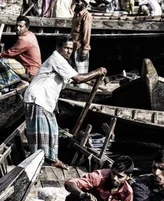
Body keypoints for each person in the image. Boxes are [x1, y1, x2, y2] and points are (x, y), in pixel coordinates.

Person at [24, 35, 106, 169]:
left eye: (70, 49)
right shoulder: (56, 59)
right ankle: (39, 161)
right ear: (58, 47)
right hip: (37, 99)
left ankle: (52, 158)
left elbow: (73, 79)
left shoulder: (61, 61)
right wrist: (97, 71)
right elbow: (78, 79)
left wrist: (95, 77)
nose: (69, 51)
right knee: (42, 133)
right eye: (66, 48)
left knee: (53, 129)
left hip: (44, 100)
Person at [0, 16, 41, 92]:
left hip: (30, 72)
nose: (17, 28)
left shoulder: (24, 39)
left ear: (27, 27)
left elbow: (9, 53)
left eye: (20, 26)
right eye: (16, 25)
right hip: (35, 71)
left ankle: (12, 83)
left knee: (3, 61)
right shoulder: (30, 34)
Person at [71, 0, 92, 76]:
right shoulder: (76, 14)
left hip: (81, 47)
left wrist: (85, 50)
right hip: (74, 46)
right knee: (74, 72)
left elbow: (87, 33)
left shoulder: (86, 15)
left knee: (81, 74)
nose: (78, 2)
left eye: (80, 1)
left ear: (85, 3)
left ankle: (82, 88)